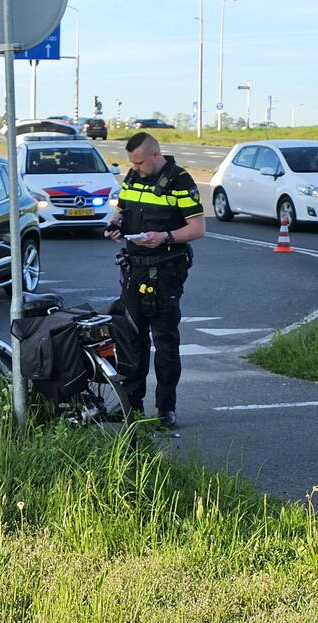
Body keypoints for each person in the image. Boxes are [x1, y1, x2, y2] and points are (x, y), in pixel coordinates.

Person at [103, 132, 206, 429]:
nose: (135, 167)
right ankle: (132, 407)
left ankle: (165, 410)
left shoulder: (179, 180)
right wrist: (115, 223)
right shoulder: (133, 177)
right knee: (131, 341)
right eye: (131, 162)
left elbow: (198, 228)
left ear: (156, 155)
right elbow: (121, 209)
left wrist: (165, 237)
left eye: (139, 162)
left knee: (164, 343)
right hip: (134, 269)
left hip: (166, 271)